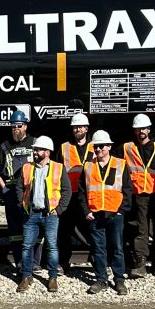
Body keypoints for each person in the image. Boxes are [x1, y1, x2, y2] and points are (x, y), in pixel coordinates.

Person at [79, 130, 133, 295]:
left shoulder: (120, 164)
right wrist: (86, 211)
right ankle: (101, 279)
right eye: (95, 147)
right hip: (95, 215)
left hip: (114, 214)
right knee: (98, 249)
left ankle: (119, 280)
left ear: (109, 146)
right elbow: (81, 192)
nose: (98, 150)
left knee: (117, 248)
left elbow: (127, 190)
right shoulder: (88, 166)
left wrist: (121, 211)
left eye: (101, 146)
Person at [15, 136, 71, 293]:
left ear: (47, 152)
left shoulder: (58, 168)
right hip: (31, 213)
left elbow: (67, 191)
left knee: (52, 246)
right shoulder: (27, 167)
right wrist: (22, 204)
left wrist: (59, 210)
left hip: (50, 214)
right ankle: (26, 276)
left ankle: (52, 278)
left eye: (38, 149)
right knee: (26, 246)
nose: (35, 152)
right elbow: (19, 188)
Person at [123, 114, 155, 277]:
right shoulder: (127, 148)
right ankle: (140, 264)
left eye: (144, 128)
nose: (141, 131)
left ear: (149, 129)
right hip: (139, 195)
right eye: (138, 129)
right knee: (141, 230)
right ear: (134, 131)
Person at [0, 109, 35, 268]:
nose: (15, 129)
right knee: (15, 230)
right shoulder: (4, 146)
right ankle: (19, 261)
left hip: (30, 190)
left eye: (18, 125)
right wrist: (3, 187)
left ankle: (34, 263)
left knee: (32, 227)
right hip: (11, 190)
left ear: (25, 126)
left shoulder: (35, 143)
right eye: (13, 126)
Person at [57, 112, 94, 275]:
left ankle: (96, 259)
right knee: (64, 230)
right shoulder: (64, 147)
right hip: (69, 194)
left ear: (86, 128)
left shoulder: (95, 146)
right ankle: (63, 262)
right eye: (74, 127)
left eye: (80, 127)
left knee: (91, 228)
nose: (77, 129)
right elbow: (57, 170)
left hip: (88, 195)